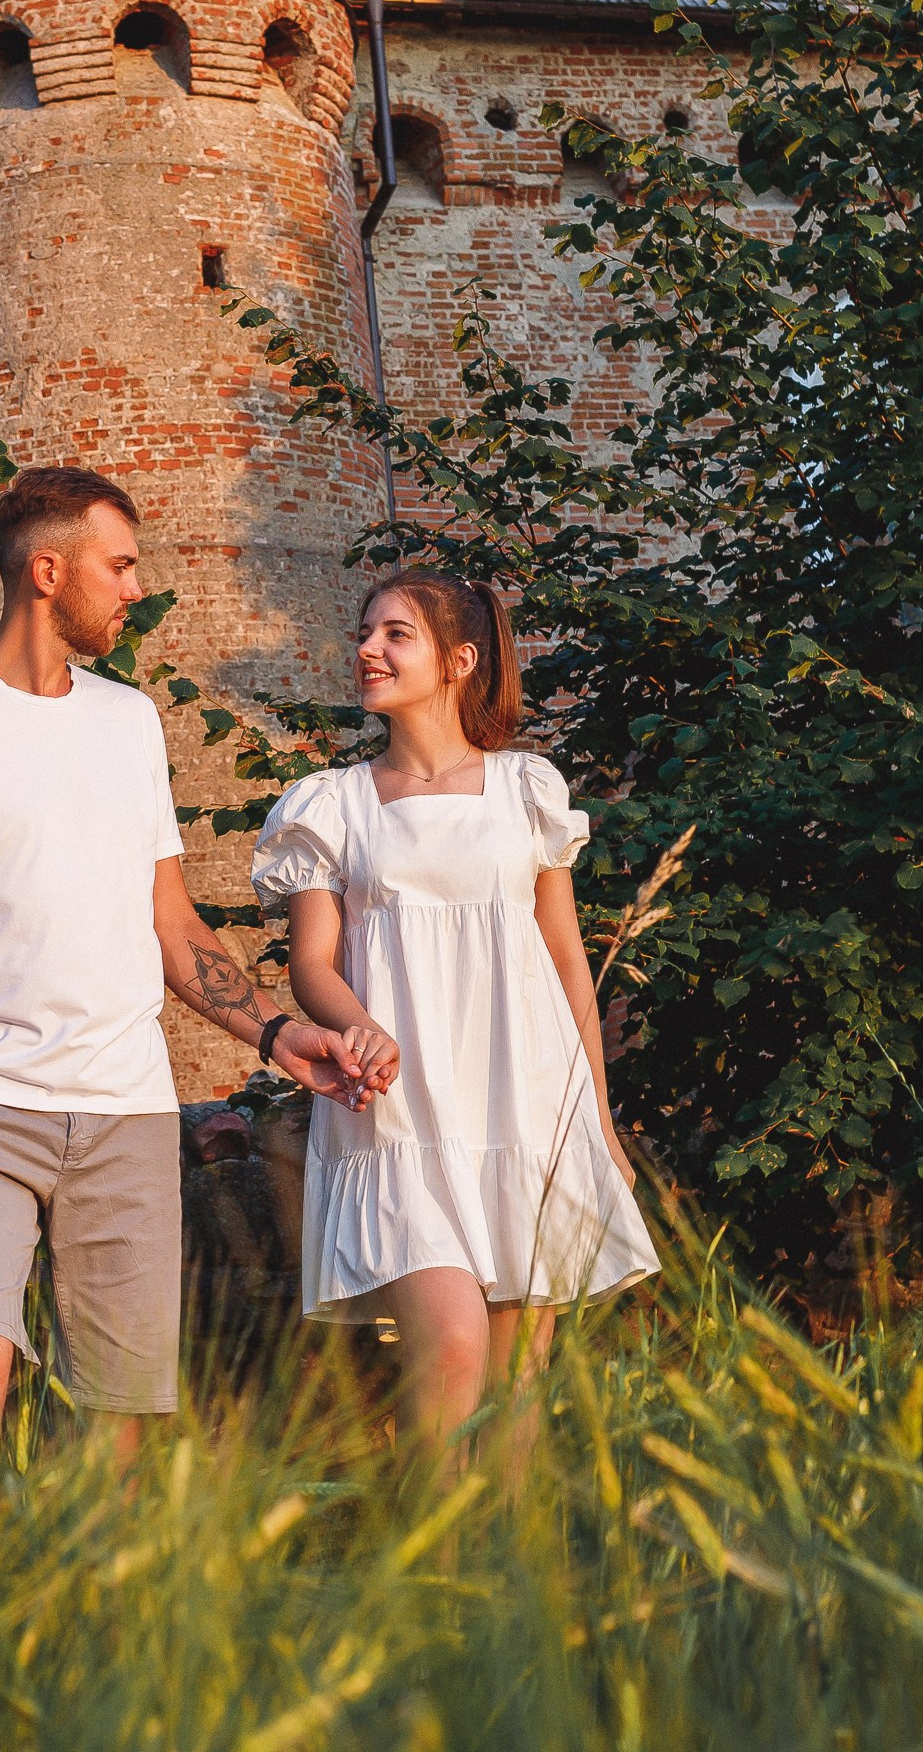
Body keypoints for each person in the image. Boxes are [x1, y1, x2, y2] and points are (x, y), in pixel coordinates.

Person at [0, 465, 391, 1493]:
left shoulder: (128, 722)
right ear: (48, 571)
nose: (134, 589)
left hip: (126, 1109)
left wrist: (277, 1035)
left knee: (119, 1412)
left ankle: (95, 1622)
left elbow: (172, 927)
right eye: (120, 564)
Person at [253, 570, 657, 1460]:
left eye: (395, 634)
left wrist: (598, 1124)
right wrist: (355, 1023)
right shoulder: (334, 804)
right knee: (452, 1354)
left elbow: (565, 963)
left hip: (525, 1105)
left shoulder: (527, 790)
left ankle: (503, 1589)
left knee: (514, 1396)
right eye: (365, 632)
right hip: (397, 1111)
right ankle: (428, 1583)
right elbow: (311, 964)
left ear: (459, 661)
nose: (367, 649)